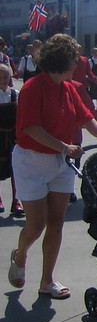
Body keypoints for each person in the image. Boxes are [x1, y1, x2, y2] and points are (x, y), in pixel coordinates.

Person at [8, 34, 97, 299]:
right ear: (61, 62)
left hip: (61, 162)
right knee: (36, 225)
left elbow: (85, 117)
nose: (77, 65)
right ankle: (21, 254)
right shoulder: (32, 88)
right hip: (31, 161)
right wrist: (63, 146)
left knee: (56, 224)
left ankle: (47, 281)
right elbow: (30, 128)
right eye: (74, 61)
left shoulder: (69, 88)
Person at [0, 64, 23, 216]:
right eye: (0, 77)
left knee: (16, 169)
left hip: (13, 136)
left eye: (5, 77)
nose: (2, 80)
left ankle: (16, 201)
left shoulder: (15, 94)